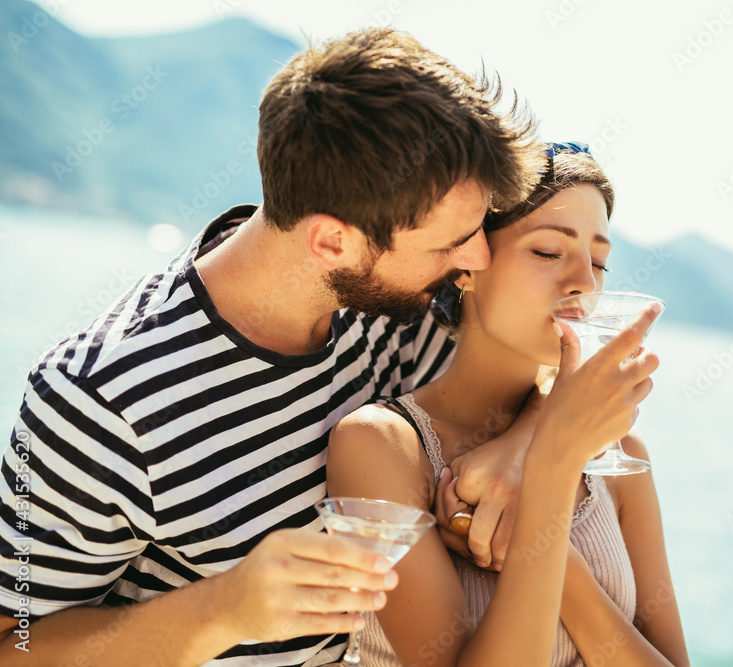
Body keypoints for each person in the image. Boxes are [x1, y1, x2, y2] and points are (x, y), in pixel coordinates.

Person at [0, 28, 552, 666]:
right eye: (448, 243)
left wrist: (521, 445)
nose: (477, 259)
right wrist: (221, 610)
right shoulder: (98, 401)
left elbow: (560, 354)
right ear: (331, 243)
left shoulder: (402, 307)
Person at [327, 143, 690, 666]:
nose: (586, 283)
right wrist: (553, 466)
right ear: (468, 264)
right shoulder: (381, 447)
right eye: (548, 252)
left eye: (600, 261)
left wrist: (554, 560)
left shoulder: (617, 454)